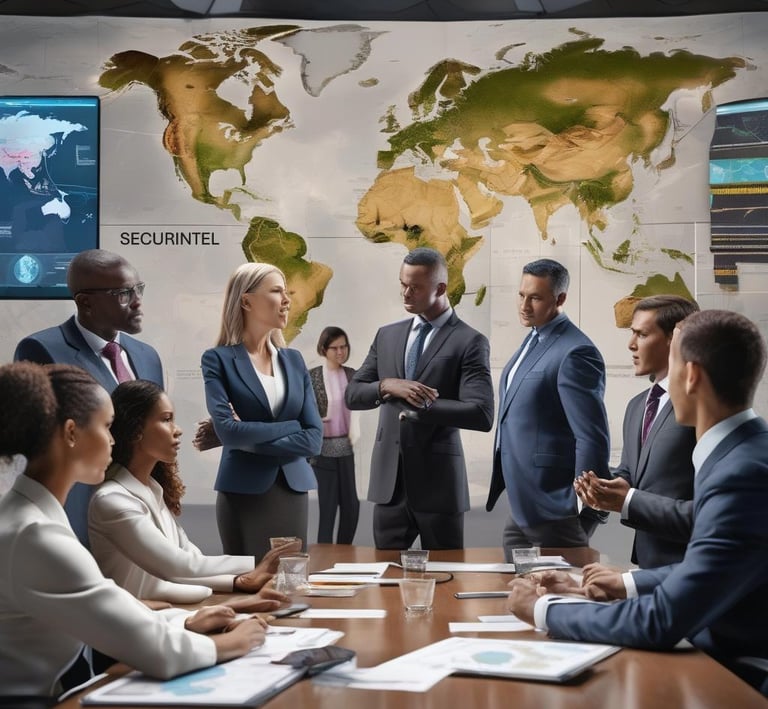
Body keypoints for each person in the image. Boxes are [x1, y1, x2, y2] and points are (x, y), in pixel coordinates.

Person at [508, 309, 768, 696]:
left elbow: (662, 621)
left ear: (692, 375)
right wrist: (616, 584)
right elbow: (714, 567)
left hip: (736, 677)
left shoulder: (741, 474)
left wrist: (543, 610)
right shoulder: (744, 453)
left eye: (673, 364)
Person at [0, 362, 266, 700]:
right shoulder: (35, 535)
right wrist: (233, 643)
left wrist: (182, 624)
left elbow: (104, 608)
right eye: (107, 426)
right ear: (71, 433)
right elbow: (158, 652)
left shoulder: (31, 516)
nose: (113, 439)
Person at [89, 379, 300, 605]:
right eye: (166, 419)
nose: (177, 429)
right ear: (136, 429)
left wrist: (239, 581)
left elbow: (192, 559)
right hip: (136, 629)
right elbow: (176, 565)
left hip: (166, 617)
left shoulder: (152, 491)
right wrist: (257, 562)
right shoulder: (113, 500)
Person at [346, 247, 494, 550]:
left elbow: (481, 413)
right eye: (403, 283)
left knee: (448, 583)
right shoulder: (386, 336)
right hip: (389, 488)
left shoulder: (470, 341)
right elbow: (353, 394)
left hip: (439, 489)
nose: (405, 292)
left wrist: (421, 408)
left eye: (415, 286)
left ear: (440, 288)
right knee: (385, 584)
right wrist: (388, 384)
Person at [13, 248, 163, 547]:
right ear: (85, 302)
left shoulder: (148, 357)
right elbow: (41, 446)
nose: (137, 302)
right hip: (80, 515)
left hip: (144, 513)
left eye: (138, 289)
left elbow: (154, 439)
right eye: (123, 293)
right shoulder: (41, 350)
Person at [486, 258, 610, 559]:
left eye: (536, 297)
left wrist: (585, 507)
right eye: (521, 295)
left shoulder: (576, 351)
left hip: (553, 504)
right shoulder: (533, 339)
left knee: (566, 593)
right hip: (524, 500)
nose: (524, 305)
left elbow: (591, 436)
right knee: (517, 590)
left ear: (560, 299)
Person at [201, 262, 323, 559]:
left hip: (292, 491)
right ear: (246, 300)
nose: (286, 300)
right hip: (242, 492)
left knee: (291, 584)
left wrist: (248, 433)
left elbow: (314, 439)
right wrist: (292, 426)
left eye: (286, 292)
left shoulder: (294, 361)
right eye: (277, 291)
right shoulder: (218, 360)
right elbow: (228, 431)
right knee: (247, 584)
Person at [574, 295, 699, 568]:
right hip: (646, 562)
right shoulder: (636, 406)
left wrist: (628, 499)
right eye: (632, 333)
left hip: (690, 564)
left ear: (674, 339)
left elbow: (711, 511)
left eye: (641, 334)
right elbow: (632, 472)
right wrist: (604, 487)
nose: (631, 344)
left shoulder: (702, 407)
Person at [309, 326, 360, 544]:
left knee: (351, 505)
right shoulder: (313, 376)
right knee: (328, 507)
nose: (341, 352)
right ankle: (324, 554)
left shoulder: (353, 375)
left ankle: (344, 550)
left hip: (346, 448)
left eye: (344, 347)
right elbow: (305, 411)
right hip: (323, 449)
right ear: (324, 349)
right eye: (335, 348)